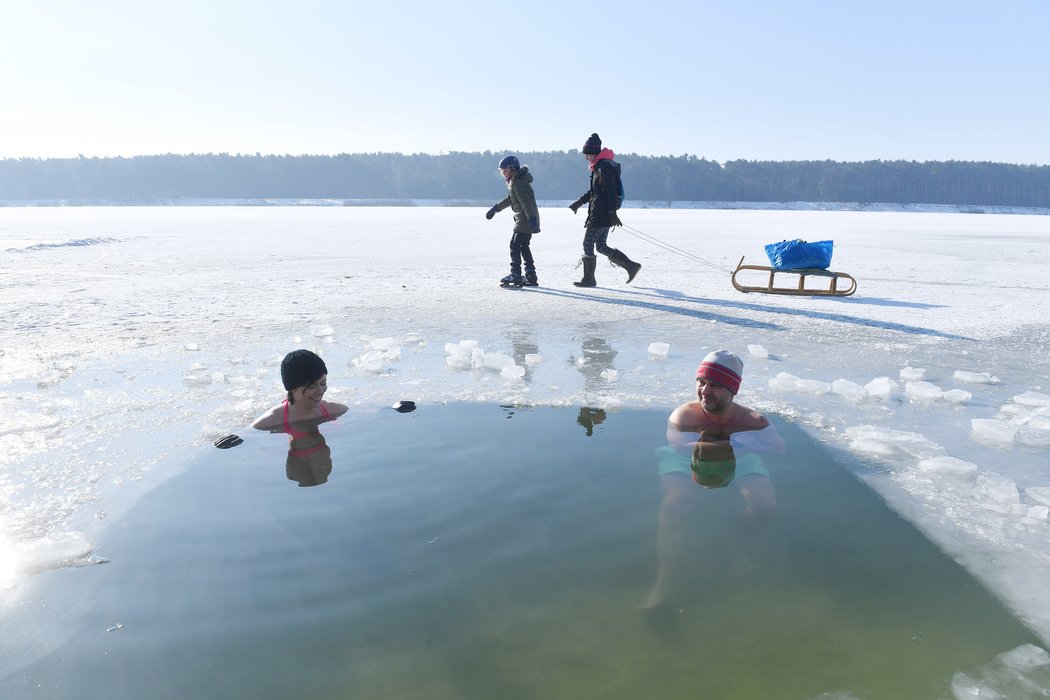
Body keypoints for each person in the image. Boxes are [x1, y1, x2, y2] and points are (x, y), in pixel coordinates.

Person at [642, 350, 784, 611]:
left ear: (732, 390)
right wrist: (725, 442)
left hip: (739, 458)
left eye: (716, 384)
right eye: (701, 382)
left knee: (766, 506)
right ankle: (663, 582)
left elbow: (778, 447)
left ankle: (735, 542)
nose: (705, 390)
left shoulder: (750, 419)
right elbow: (678, 446)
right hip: (686, 459)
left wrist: (740, 443)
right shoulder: (684, 415)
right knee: (676, 501)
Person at [569, 133, 641, 287]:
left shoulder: (604, 167)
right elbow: (594, 192)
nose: (586, 158)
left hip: (601, 214)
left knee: (587, 244)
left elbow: (611, 191)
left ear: (594, 152)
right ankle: (631, 266)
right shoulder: (598, 167)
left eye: (587, 154)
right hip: (601, 213)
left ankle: (589, 279)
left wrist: (612, 213)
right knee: (601, 246)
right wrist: (579, 202)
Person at [251, 349, 349, 432]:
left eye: (323, 383)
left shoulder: (332, 410)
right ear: (292, 388)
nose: (320, 391)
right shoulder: (273, 420)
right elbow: (251, 433)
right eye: (311, 386)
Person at [486, 155, 541, 287]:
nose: (503, 173)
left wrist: (531, 219)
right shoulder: (515, 182)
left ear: (513, 169)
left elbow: (525, 202)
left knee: (514, 245)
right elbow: (510, 199)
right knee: (523, 246)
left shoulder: (518, 182)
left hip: (525, 219)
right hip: (528, 219)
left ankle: (516, 274)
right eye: (502, 171)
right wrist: (495, 209)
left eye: (506, 170)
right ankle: (531, 275)